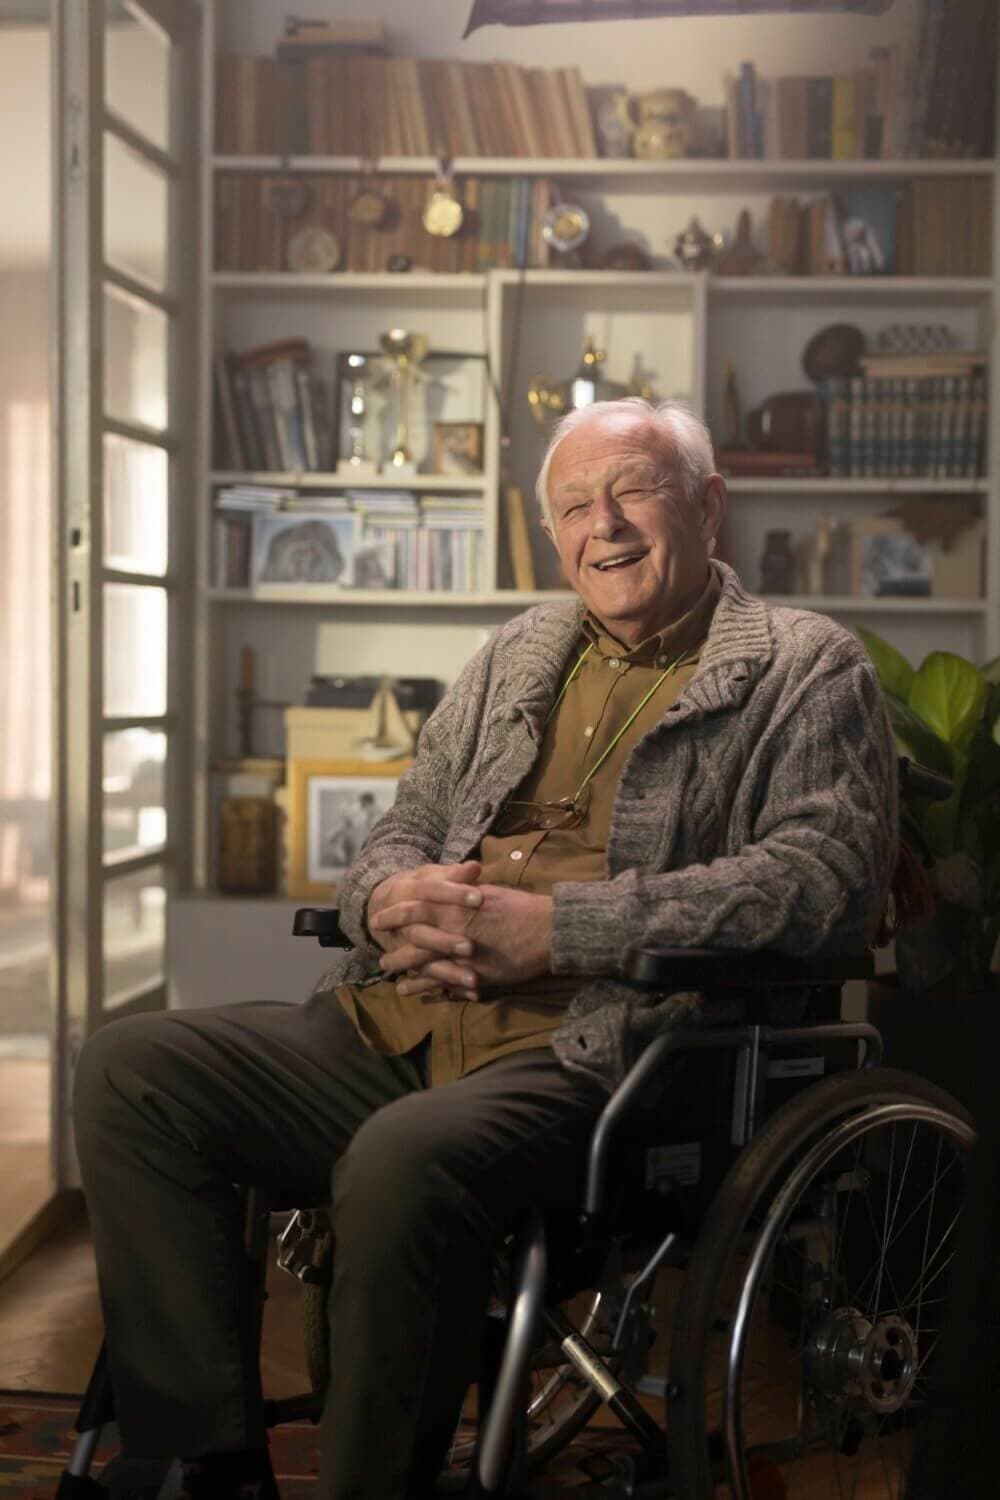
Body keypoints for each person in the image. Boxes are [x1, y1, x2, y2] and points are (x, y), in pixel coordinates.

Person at [73, 398, 897, 1500]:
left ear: (708, 505)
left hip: (602, 1056)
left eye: (632, 490)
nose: (601, 524)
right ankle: (204, 1461)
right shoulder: (519, 649)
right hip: (399, 1016)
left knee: (403, 1155)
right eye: (573, 505)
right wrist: (384, 901)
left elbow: (820, 885)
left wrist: (565, 929)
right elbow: (403, 823)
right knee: (134, 1071)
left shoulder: (804, 666)